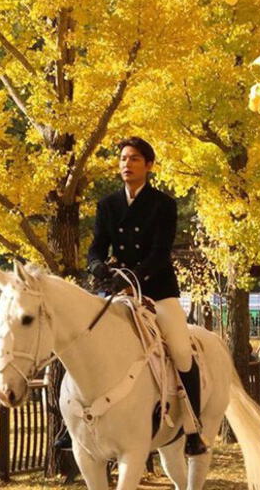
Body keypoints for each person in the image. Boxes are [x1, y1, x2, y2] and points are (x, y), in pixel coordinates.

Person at [88, 136, 207, 456]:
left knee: (181, 350)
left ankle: (194, 427)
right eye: (123, 159)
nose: (126, 164)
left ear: (149, 165)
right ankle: (68, 422)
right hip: (116, 289)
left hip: (157, 289)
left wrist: (132, 279)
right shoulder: (107, 205)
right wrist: (98, 265)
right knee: (82, 337)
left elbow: (159, 253)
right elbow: (97, 247)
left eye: (135, 159)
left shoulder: (163, 204)